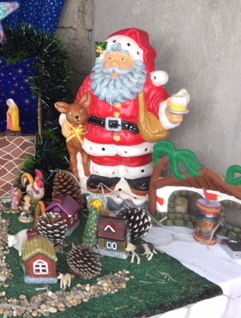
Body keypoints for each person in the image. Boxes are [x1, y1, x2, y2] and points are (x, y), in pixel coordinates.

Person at [66, 28, 189, 208]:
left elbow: (159, 103)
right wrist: (68, 123)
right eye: (109, 58)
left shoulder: (147, 84)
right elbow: (78, 107)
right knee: (100, 179)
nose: (114, 64)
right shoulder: (93, 82)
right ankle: (102, 190)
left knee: (138, 179)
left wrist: (171, 111)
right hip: (99, 146)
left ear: (136, 62)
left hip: (136, 148)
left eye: (122, 59)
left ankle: (137, 193)